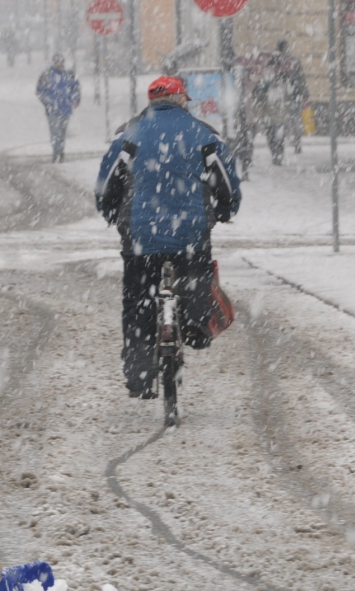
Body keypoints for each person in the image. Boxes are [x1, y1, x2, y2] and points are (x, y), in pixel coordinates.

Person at [95, 75, 242, 398]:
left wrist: (109, 211)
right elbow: (227, 185)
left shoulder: (128, 136)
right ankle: (194, 323)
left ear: (151, 102)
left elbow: (107, 186)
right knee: (196, 278)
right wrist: (225, 211)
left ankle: (140, 371)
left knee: (137, 300)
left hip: (140, 235)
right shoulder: (204, 135)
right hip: (189, 234)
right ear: (180, 101)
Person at [36, 54, 81, 163]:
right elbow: (40, 91)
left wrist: (75, 100)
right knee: (55, 132)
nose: (60, 64)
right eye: (58, 62)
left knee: (62, 132)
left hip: (65, 109)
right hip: (53, 110)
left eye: (62, 62)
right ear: (54, 62)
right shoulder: (47, 75)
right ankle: (57, 152)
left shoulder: (69, 74)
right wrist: (49, 102)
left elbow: (76, 88)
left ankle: (60, 152)